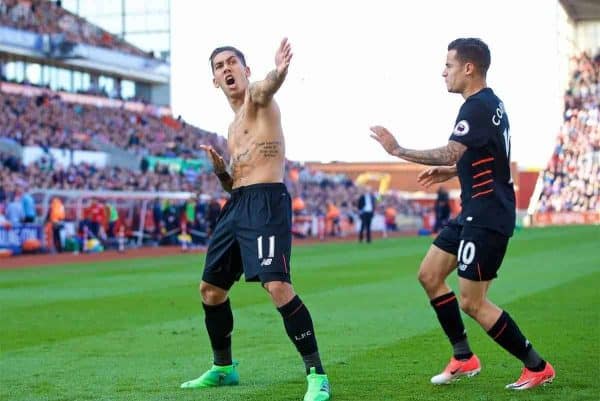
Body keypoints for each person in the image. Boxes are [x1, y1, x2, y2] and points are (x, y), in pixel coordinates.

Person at [370, 38, 555, 390]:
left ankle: (537, 366)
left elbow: (452, 149)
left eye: (449, 65)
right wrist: (455, 171)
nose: (444, 72)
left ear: (468, 68)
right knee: (429, 274)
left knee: (473, 301)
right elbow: (486, 153)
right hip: (473, 211)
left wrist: (398, 150)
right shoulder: (491, 103)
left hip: (487, 215)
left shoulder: (476, 107)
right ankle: (463, 356)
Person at [180, 39, 331, 401]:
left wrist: (279, 70)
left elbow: (268, 84)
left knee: (277, 285)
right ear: (214, 80)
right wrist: (221, 174)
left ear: (246, 71)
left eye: (233, 62)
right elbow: (236, 181)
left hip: (266, 201)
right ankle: (223, 369)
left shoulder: (259, 99)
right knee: (211, 290)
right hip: (237, 203)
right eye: (220, 66)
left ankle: (317, 375)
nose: (227, 69)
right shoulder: (232, 128)